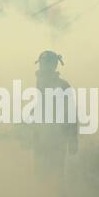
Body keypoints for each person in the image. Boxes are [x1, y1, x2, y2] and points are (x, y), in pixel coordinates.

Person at [33, 50, 78, 180]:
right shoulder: (40, 84)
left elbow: (71, 113)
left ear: (53, 66)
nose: (43, 67)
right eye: (42, 64)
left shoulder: (63, 86)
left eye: (46, 64)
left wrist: (73, 140)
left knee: (56, 176)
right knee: (40, 176)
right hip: (40, 140)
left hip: (57, 140)